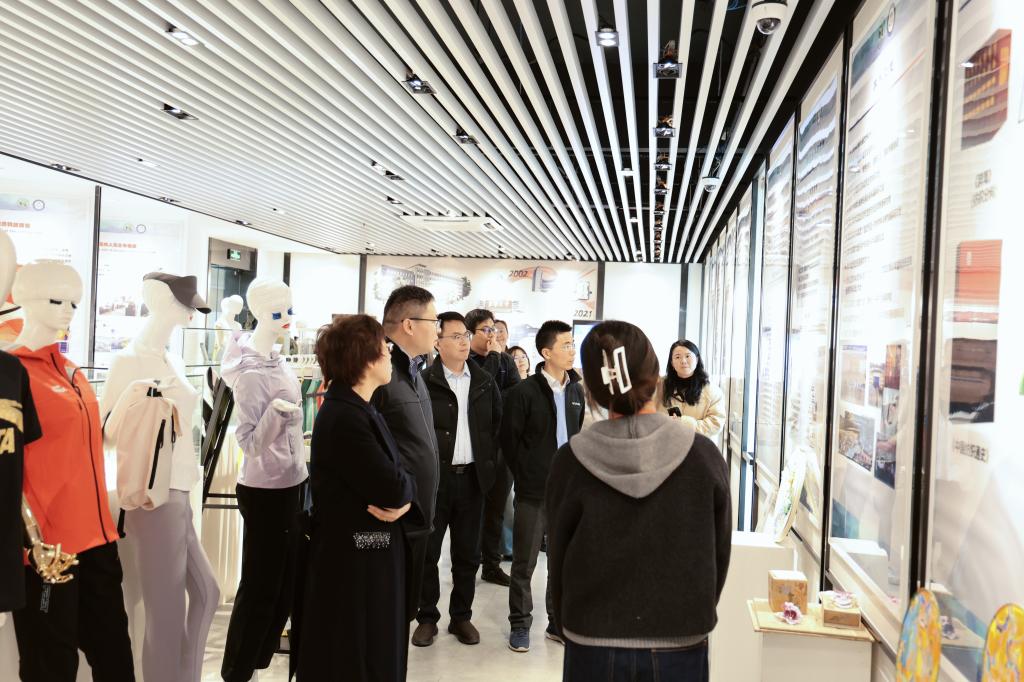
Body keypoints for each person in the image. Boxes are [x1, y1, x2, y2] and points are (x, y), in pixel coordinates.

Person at [547, 321, 731, 682]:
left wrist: (570, 620)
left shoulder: (570, 461)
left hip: (591, 638)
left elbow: (558, 554)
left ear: (591, 389)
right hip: (681, 637)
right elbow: (719, 553)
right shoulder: (703, 456)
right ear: (656, 376)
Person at [296, 315, 417, 681]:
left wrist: (405, 498)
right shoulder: (346, 416)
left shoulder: (359, 407)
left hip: (367, 545)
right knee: (360, 652)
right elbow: (393, 486)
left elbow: (400, 480)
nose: (390, 352)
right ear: (364, 358)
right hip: (359, 547)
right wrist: (405, 495)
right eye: (384, 347)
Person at [413, 312, 502, 647]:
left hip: (473, 479)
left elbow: (495, 425)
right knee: (429, 552)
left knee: (468, 554)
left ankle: (461, 617)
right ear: (438, 343)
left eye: (465, 335)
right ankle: (427, 617)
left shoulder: (483, 380)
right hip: (436, 482)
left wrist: (488, 466)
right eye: (455, 336)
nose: (464, 341)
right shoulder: (424, 381)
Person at [501, 320, 585, 653]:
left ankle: (556, 623)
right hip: (534, 492)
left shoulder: (576, 391)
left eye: (573, 344)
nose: (572, 350)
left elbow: (576, 436)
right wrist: (527, 474)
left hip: (567, 492)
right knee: (524, 562)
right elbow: (509, 441)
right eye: (565, 345)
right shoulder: (524, 392)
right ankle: (520, 625)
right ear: (546, 352)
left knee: (560, 562)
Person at [373, 286, 440, 628]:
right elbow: (367, 448)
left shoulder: (414, 371)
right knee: (387, 614)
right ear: (409, 325)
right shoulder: (380, 373)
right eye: (434, 321)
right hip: (393, 519)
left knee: (404, 612)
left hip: (417, 516)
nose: (438, 330)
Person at [465, 308, 520, 587]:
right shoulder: (465, 360)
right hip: (472, 446)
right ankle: (469, 563)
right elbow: (479, 392)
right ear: (470, 333)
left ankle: (491, 565)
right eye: (486, 330)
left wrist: (497, 396)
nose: (492, 335)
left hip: (501, 445)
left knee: (497, 508)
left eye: (494, 330)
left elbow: (516, 395)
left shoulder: (506, 361)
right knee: (472, 507)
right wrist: (495, 358)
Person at [656, 340, 725, 437]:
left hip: (697, 444)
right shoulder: (659, 386)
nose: (683, 361)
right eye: (677, 357)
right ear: (672, 363)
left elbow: (715, 423)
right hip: (665, 443)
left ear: (697, 359)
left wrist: (684, 423)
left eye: (688, 356)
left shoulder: (712, 391)